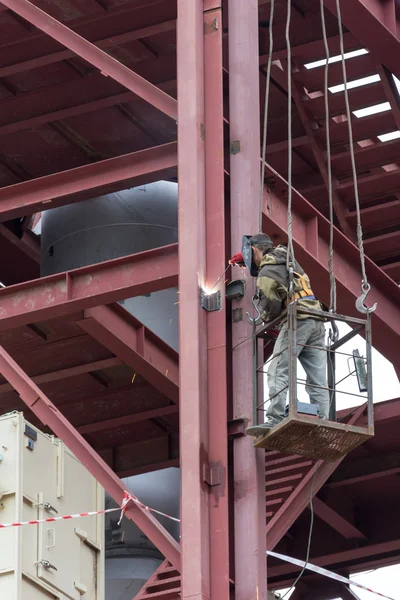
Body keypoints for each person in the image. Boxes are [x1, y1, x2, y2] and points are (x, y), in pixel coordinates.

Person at [244, 233, 330, 437]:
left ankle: (274, 417)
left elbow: (270, 305)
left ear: (255, 249)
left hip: (297, 319)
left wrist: (267, 317)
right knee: (317, 376)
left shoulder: (267, 270)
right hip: (316, 318)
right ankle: (323, 421)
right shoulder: (289, 259)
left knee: (278, 367)